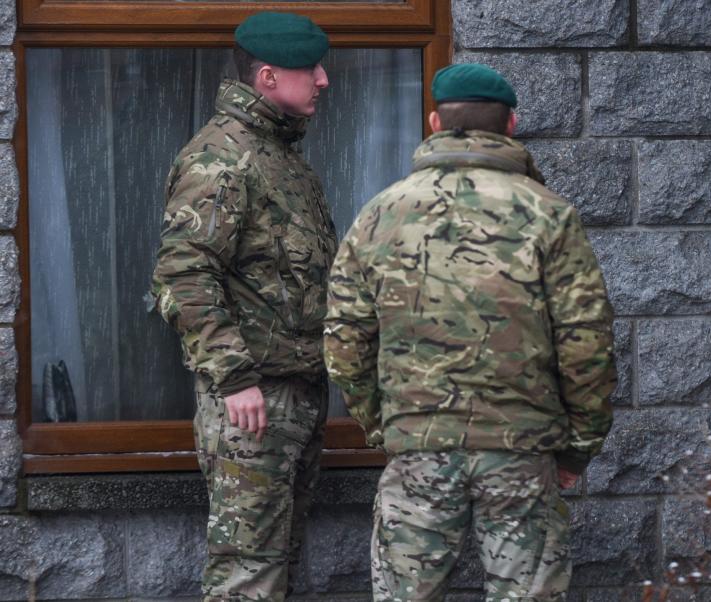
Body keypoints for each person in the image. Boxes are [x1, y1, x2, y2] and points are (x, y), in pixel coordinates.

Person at [323, 63, 616, 601]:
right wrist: (578, 449)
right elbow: (587, 343)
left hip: (418, 446)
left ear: (434, 123)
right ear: (512, 125)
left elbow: (344, 340)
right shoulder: (549, 215)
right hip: (522, 451)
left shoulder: (380, 215)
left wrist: (386, 427)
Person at [151, 12, 337, 600]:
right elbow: (183, 273)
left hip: (295, 393)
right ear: (265, 76)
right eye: (310, 69)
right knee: (247, 576)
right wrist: (234, 379)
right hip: (252, 404)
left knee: (277, 561)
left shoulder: (282, 159)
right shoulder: (223, 157)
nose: (324, 80)